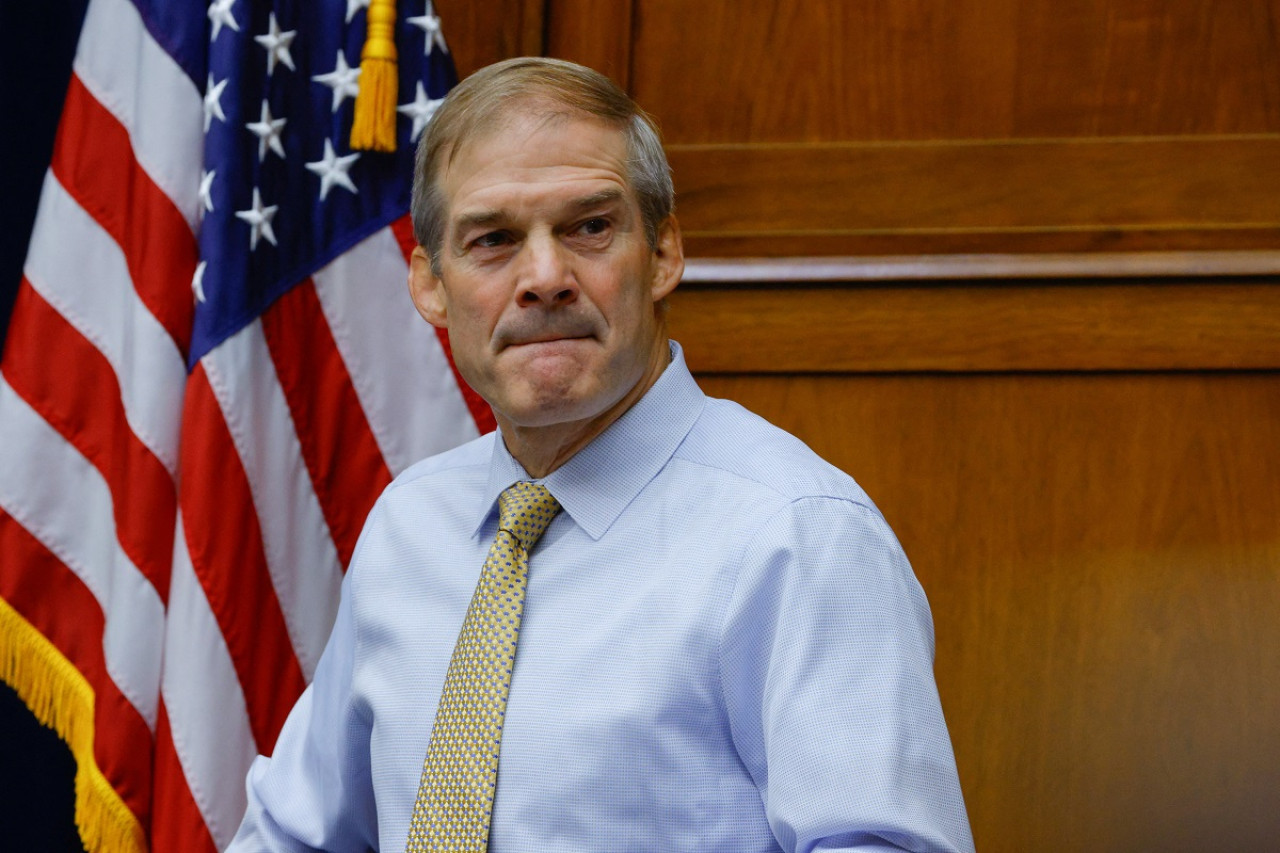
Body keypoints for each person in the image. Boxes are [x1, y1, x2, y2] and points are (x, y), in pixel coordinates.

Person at [227, 57, 975, 852]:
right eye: (494, 239)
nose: (545, 277)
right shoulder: (409, 524)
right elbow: (289, 834)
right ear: (431, 287)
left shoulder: (796, 534)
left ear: (662, 254)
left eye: (590, 227)